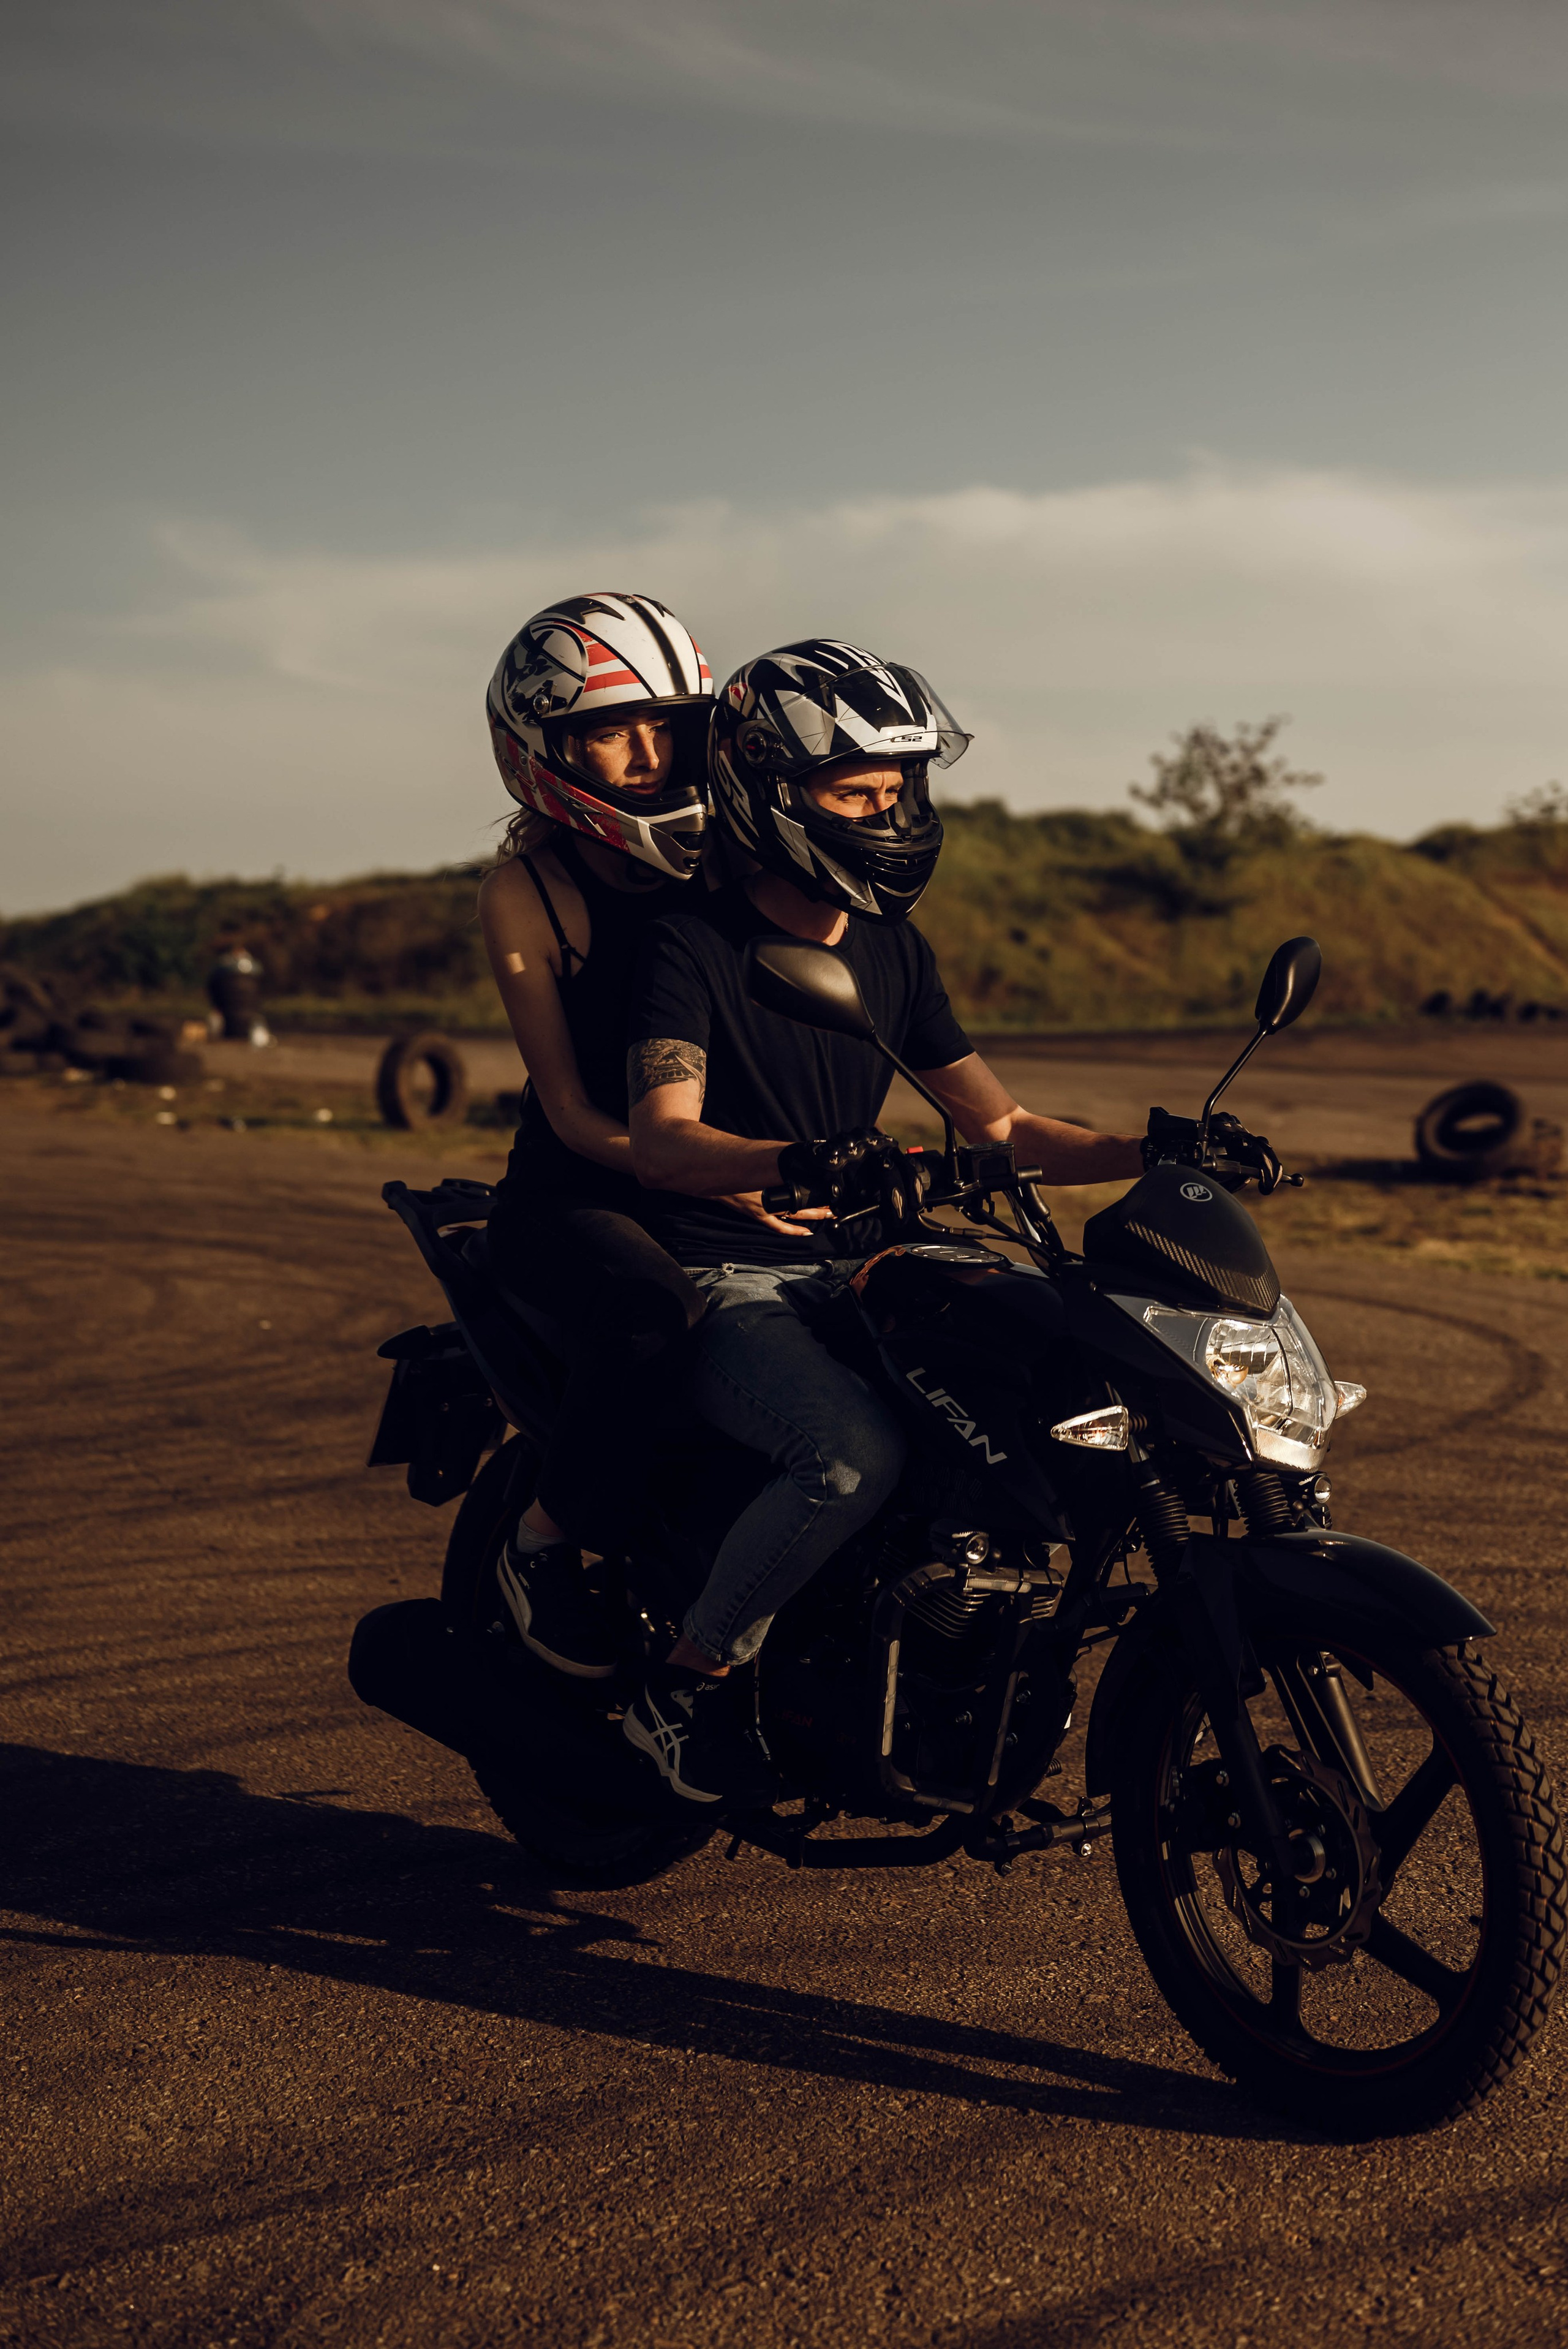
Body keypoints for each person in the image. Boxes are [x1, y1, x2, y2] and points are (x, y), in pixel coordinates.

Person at [620, 639, 1147, 1806]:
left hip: (863, 1261)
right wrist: (800, 1157)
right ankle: (686, 1683)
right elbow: (663, 1140)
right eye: (857, 791)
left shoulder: (893, 950)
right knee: (849, 1457)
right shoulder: (689, 946)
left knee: (1044, 1373)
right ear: (771, 788)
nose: (890, 813)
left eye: (899, 788)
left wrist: (1147, 1151)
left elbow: (997, 1121)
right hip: (729, 1273)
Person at [477, 590, 720, 1682]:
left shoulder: (735, 867)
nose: (646, 754)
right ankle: (541, 1544)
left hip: (723, 1176)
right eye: (610, 730)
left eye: (667, 726)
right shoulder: (527, 890)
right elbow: (572, 1109)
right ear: (546, 748)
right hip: (579, 1193)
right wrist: (719, 1175)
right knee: (651, 1320)